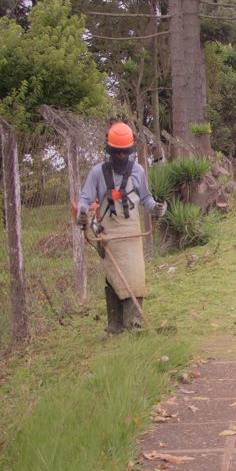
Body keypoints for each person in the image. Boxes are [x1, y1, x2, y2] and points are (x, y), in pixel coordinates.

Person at [76, 123, 167, 334]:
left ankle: (134, 324)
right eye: (116, 152)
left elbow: (145, 198)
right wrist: (83, 213)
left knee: (135, 276)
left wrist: (156, 209)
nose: (120, 155)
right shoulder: (98, 172)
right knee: (113, 277)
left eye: (124, 152)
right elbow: (85, 198)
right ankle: (115, 324)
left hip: (132, 230)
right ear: (109, 150)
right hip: (108, 232)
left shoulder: (138, 171)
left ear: (130, 151)